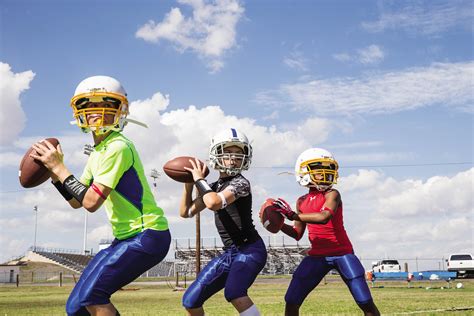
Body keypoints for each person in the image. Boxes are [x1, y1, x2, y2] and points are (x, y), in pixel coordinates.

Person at [31, 75, 171, 316]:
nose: (95, 111)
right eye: (88, 105)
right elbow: (77, 201)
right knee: (75, 307)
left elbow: (91, 203)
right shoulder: (98, 152)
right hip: (126, 237)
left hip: (147, 234)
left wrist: (60, 168)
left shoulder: (118, 146)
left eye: (104, 104)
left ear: (120, 110)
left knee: (93, 296)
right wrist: (55, 174)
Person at [273, 148, 380, 316]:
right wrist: (277, 224)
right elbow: (297, 233)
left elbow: (323, 217)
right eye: (318, 169)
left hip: (342, 253)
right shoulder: (301, 201)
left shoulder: (333, 194)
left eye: (329, 168)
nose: (325, 173)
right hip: (317, 255)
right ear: (303, 172)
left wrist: (292, 215)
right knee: (291, 300)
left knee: (365, 302)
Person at [179, 128, 267, 316]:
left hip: (250, 249)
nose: (234, 159)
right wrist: (188, 186)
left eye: (238, 154)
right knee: (190, 301)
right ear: (216, 155)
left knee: (234, 292)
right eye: (228, 153)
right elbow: (186, 212)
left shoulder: (241, 183)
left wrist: (199, 180)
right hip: (230, 252)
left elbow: (214, 203)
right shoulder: (213, 187)